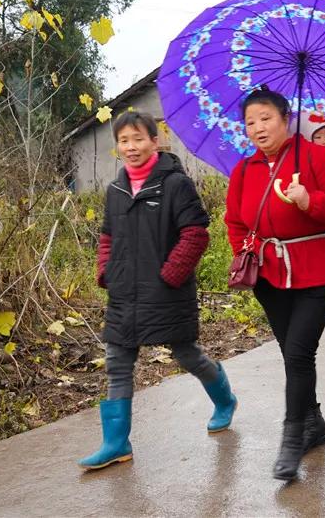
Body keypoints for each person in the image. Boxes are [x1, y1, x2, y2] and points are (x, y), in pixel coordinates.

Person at [79, 111, 236, 470]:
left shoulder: (175, 184)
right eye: (123, 141)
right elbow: (107, 236)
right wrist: (105, 270)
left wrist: (170, 275)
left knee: (186, 355)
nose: (131, 147)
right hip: (123, 291)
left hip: (166, 288)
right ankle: (116, 443)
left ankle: (225, 400)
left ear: (154, 141)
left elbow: (196, 233)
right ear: (117, 147)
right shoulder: (116, 189)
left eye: (138, 139)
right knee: (118, 362)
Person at [225, 87, 325, 481]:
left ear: (286, 119)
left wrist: (310, 201)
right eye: (250, 122)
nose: (258, 128)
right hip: (268, 275)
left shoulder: (317, 157)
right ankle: (313, 423)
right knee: (292, 354)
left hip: (317, 271)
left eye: (266, 118)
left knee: (300, 353)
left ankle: (291, 440)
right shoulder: (244, 170)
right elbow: (235, 220)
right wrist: (247, 249)